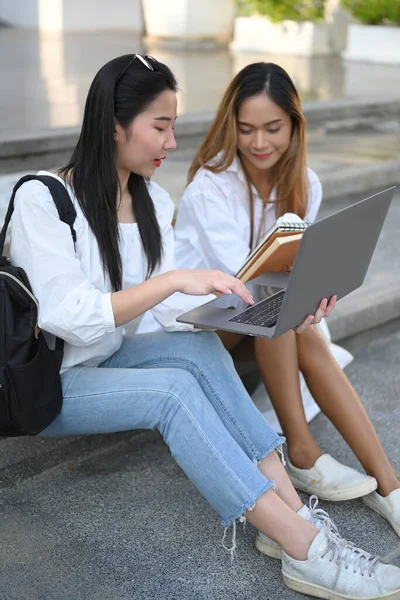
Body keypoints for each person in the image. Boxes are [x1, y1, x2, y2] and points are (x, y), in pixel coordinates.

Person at [9, 54, 400, 599]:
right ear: (114, 126)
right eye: (161, 126)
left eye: (173, 124)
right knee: (171, 392)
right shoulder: (42, 198)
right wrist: (173, 282)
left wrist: (256, 307)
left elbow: (171, 316)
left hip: (105, 358)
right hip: (48, 385)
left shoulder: (151, 200)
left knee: (201, 352)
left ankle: (292, 508)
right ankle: (303, 548)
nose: (172, 141)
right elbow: (67, 316)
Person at [138, 61, 400, 537]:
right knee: (279, 301)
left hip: (254, 323)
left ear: (295, 125)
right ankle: (301, 450)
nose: (260, 143)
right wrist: (300, 296)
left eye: (273, 128)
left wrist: (319, 293)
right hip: (191, 327)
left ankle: (391, 489)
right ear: (230, 128)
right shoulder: (209, 189)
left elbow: (286, 280)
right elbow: (244, 286)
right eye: (247, 129)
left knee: (292, 311)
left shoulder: (306, 184)